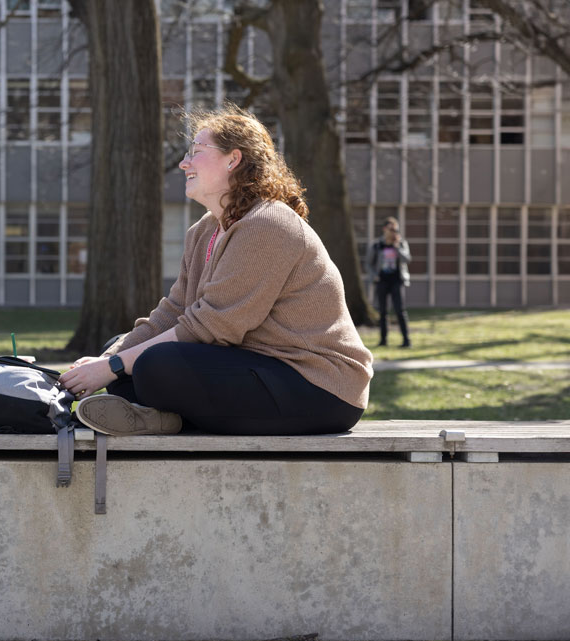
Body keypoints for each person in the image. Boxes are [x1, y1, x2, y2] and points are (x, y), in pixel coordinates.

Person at [60, 105, 373, 436]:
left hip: (319, 387)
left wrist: (111, 368)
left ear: (232, 159)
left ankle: (165, 418)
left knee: (154, 365)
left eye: (196, 152)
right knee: (126, 352)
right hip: (255, 371)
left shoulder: (268, 224)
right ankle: (166, 420)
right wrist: (104, 359)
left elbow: (214, 325)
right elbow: (173, 312)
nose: (184, 163)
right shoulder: (205, 230)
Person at [366, 216, 411, 348]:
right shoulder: (377, 245)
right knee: (383, 311)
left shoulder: (401, 243)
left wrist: (396, 246)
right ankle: (383, 340)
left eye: (395, 229)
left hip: (397, 280)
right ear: (384, 229)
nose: (393, 232)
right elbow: (368, 264)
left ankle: (406, 340)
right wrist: (374, 276)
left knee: (400, 310)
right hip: (382, 281)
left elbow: (407, 259)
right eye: (391, 229)